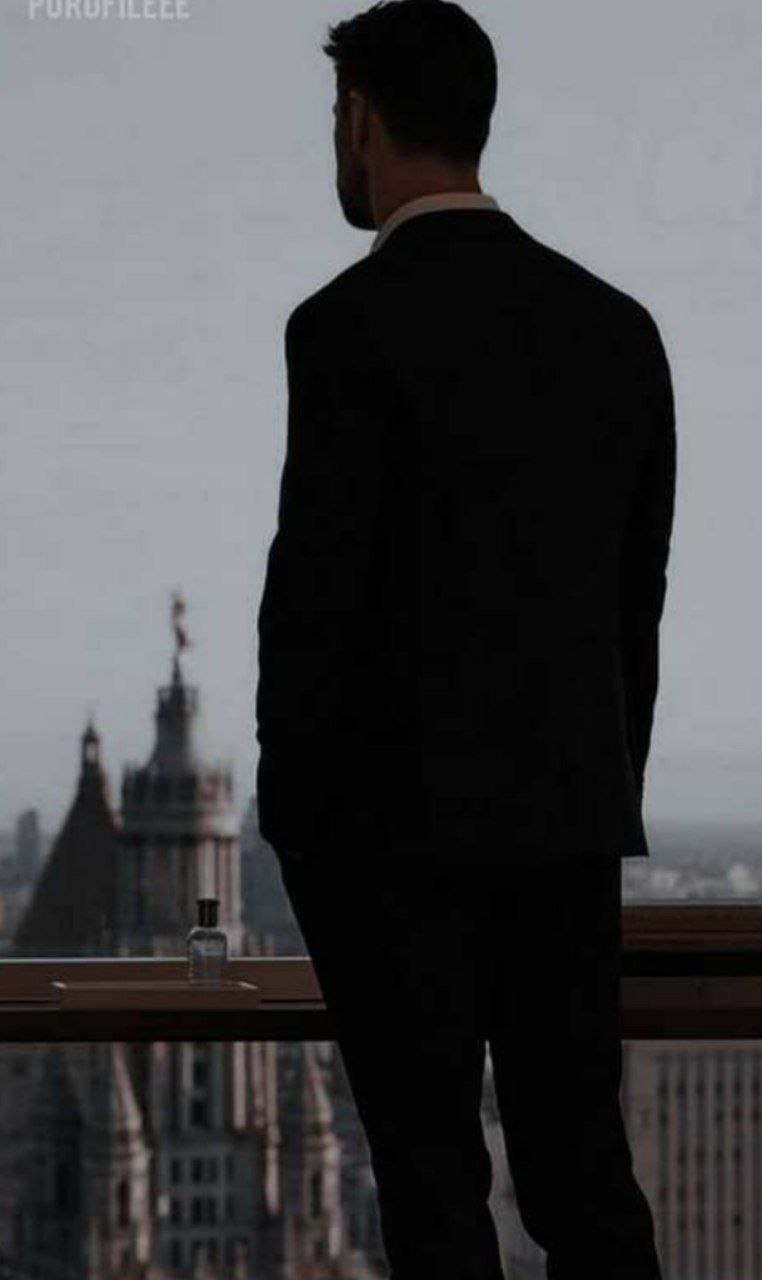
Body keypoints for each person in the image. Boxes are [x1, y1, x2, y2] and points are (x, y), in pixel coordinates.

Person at [255, 2, 676, 1275]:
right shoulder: (618, 331)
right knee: (585, 1182)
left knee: (435, 1193)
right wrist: (595, 791)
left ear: (360, 120)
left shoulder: (343, 328)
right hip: (566, 829)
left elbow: (313, 607)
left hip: (392, 850)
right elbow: (633, 612)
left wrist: (300, 829)